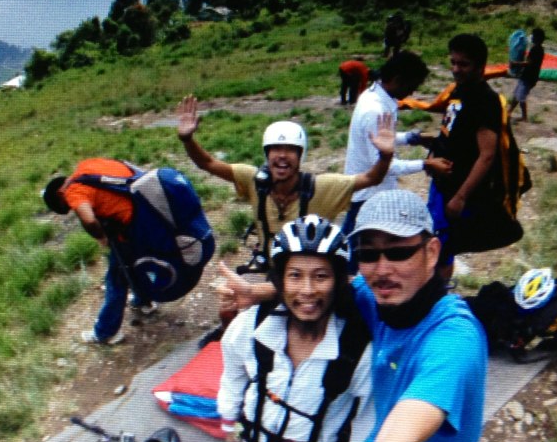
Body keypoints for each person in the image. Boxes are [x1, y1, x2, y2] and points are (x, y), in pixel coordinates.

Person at [283, 189, 488, 442]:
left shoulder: (453, 343)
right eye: (367, 254)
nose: (381, 269)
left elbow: (396, 441)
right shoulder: (381, 299)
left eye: (398, 252)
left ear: (431, 252)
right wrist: (255, 292)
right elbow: (327, 289)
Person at [219, 215, 374, 442]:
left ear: (339, 282)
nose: (307, 290)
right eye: (295, 276)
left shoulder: (354, 350)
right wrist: (229, 422)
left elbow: (369, 415)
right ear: (279, 281)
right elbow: (232, 371)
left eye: (321, 276)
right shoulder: (254, 326)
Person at [176, 95, 395, 270]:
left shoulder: (323, 187)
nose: (282, 155)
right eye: (275, 149)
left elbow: (371, 178)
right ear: (266, 154)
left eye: (290, 150)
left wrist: (385, 156)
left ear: (301, 156)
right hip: (273, 270)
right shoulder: (253, 181)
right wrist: (187, 139)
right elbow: (207, 163)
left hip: (310, 274)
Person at [42, 158, 155, 345]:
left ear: (59, 194)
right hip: (145, 215)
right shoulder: (86, 167)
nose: (70, 207)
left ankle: (105, 333)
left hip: (128, 229)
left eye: (65, 206)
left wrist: (101, 236)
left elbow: (88, 219)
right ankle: (144, 301)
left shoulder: (73, 192)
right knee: (132, 266)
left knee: (116, 279)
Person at [342, 51, 452, 241]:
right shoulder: (375, 110)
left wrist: (412, 138)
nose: (411, 93)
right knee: (358, 246)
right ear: (398, 80)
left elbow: (380, 137)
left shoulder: (374, 96)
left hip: (369, 190)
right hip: (369, 194)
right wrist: (426, 164)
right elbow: (385, 166)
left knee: (353, 241)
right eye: (411, 87)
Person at [424, 34, 502, 281]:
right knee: (431, 240)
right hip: (440, 184)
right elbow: (451, 130)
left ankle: (439, 292)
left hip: (456, 190)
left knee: (443, 247)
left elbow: (487, 156)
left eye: (463, 64)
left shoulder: (485, 100)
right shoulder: (459, 90)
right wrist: (433, 148)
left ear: (480, 66)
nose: (456, 69)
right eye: (453, 62)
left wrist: (460, 197)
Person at [508, 27, 545, 122]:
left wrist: (515, 63)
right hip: (528, 76)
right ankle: (509, 111)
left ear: (537, 38)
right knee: (517, 94)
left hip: (529, 77)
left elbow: (529, 63)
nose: (531, 37)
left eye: (533, 35)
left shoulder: (536, 50)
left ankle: (524, 117)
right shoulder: (538, 49)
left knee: (521, 97)